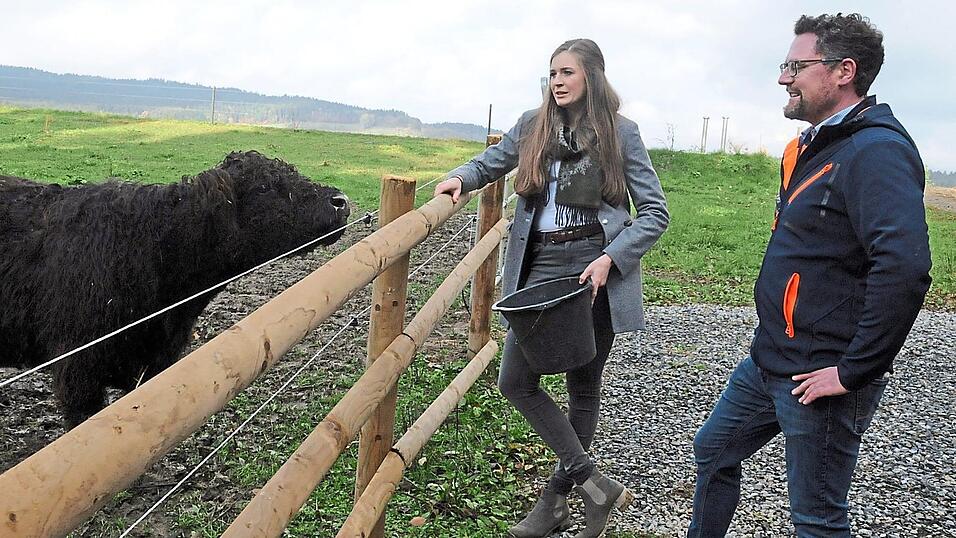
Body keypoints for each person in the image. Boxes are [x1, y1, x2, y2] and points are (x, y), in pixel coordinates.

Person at [688, 13, 931, 538]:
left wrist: (852, 371)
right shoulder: (817, 144)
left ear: (844, 71)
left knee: (817, 517)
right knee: (714, 450)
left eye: (796, 66)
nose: (784, 78)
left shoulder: (876, 151)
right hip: (771, 358)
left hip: (820, 374)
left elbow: (905, 268)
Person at [434, 38, 668, 537]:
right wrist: (459, 178)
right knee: (515, 381)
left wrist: (611, 259)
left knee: (583, 384)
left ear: (592, 77)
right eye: (553, 72)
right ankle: (595, 485)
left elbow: (654, 213)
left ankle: (555, 501)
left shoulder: (621, 133)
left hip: (593, 267)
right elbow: (490, 162)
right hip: (540, 265)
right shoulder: (532, 125)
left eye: (568, 72)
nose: (558, 81)